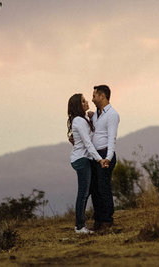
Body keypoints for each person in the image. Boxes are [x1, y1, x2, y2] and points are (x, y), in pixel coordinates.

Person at [67, 92, 104, 235]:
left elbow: (90, 137)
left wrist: (92, 117)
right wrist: (99, 159)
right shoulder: (79, 121)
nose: (86, 102)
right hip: (81, 160)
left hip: (84, 158)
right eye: (83, 101)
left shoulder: (82, 119)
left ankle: (80, 225)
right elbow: (88, 144)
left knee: (86, 192)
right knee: (83, 193)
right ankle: (79, 227)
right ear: (77, 105)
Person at [89, 84, 120, 232]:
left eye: (94, 95)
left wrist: (107, 158)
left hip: (105, 155)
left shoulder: (112, 115)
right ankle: (98, 220)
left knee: (103, 188)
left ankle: (107, 220)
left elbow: (111, 138)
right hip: (95, 156)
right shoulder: (96, 114)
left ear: (102, 96)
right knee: (95, 188)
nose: (92, 98)